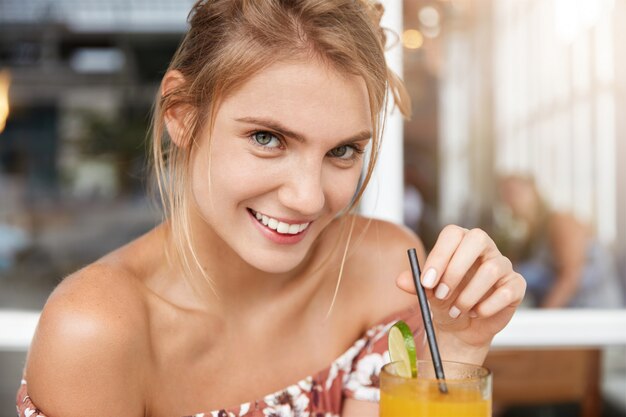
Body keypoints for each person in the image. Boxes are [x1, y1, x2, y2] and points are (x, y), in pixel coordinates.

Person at [16, 1, 526, 416]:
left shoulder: (382, 270)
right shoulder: (97, 332)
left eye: (343, 151)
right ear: (182, 116)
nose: (307, 197)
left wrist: (456, 354)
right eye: (268, 138)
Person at [498, 174, 622, 308]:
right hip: (563, 315)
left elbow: (570, 277)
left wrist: (541, 321)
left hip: (594, 314)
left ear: (535, 193)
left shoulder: (560, 221)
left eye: (515, 192)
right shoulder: (531, 237)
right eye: (505, 195)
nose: (510, 200)